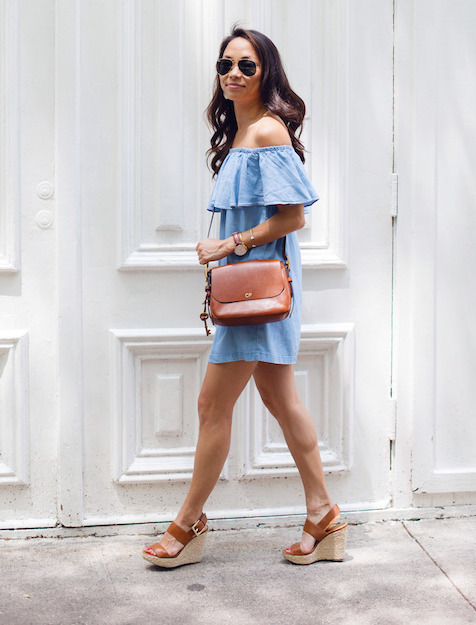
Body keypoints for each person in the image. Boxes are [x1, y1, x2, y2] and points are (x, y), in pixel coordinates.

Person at [143, 28, 347, 567]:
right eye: (226, 64)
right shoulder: (242, 134)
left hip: (255, 288)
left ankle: (187, 524)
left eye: (247, 66)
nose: (233, 72)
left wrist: (228, 244)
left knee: (213, 404)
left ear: (266, 74)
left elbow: (294, 216)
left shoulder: (267, 132)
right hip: (251, 291)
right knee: (282, 400)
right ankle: (323, 515)